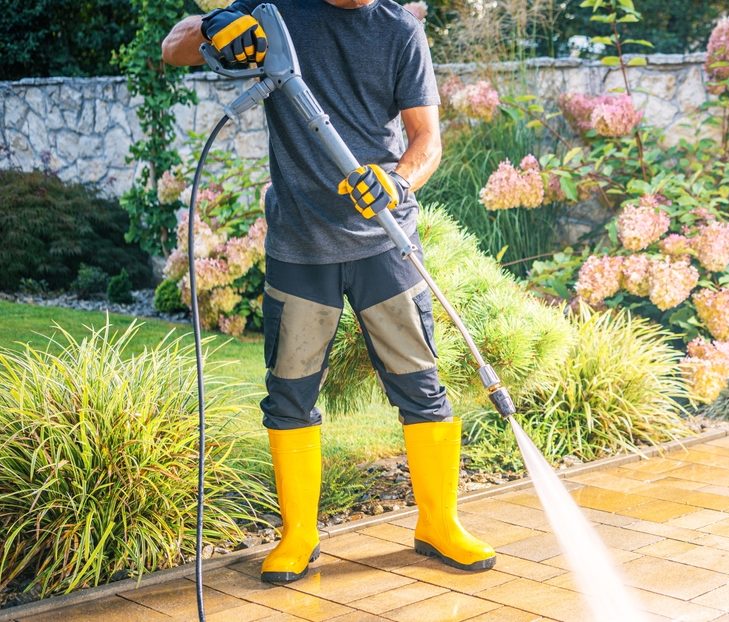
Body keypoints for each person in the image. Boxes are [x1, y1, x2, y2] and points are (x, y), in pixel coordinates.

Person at [162, 0, 496, 584]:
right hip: (300, 246)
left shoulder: (400, 30)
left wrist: (396, 181)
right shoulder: (277, 13)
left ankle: (438, 523)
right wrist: (214, 28)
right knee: (289, 394)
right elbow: (174, 47)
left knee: (421, 385)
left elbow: (427, 141)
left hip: (383, 242)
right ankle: (299, 535)